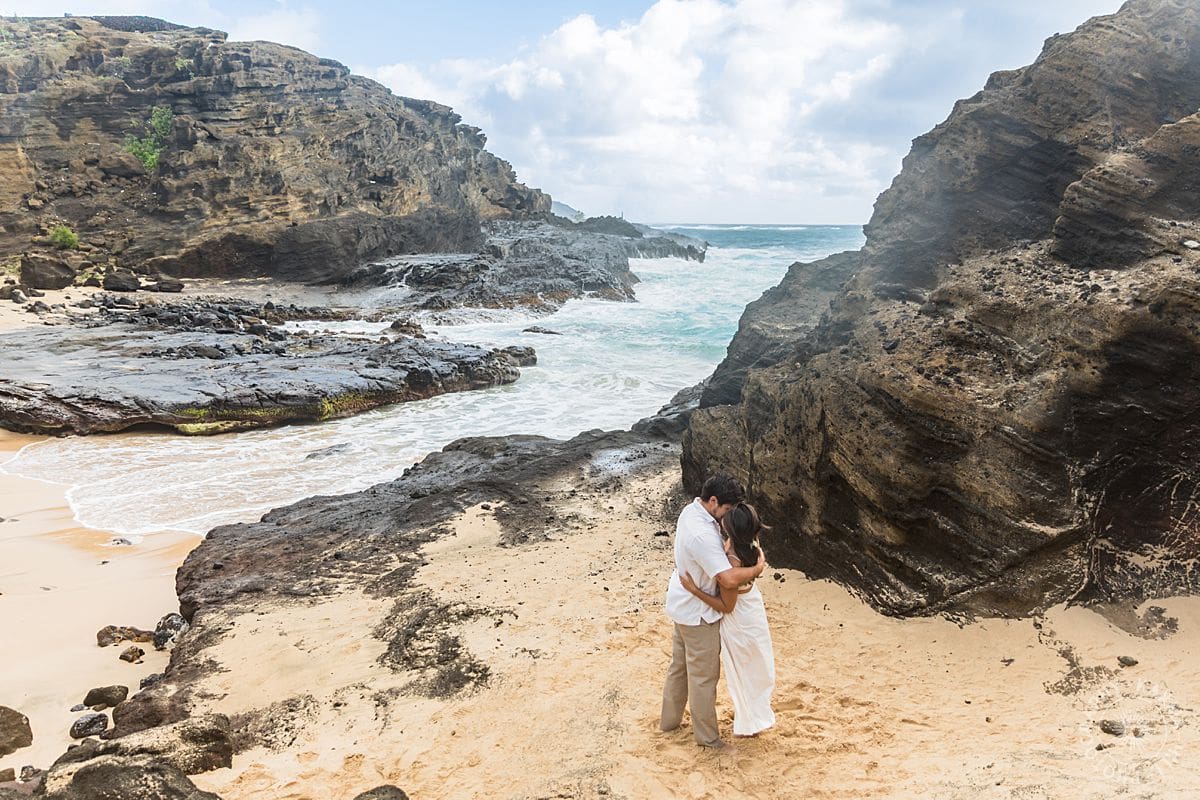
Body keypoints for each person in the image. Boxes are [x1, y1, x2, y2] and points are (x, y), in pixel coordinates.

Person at [660, 474, 765, 748]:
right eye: (727, 510)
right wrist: (757, 569)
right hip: (699, 614)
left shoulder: (690, 511)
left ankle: (668, 723)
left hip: (680, 602)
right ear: (714, 501)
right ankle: (707, 739)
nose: (727, 517)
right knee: (703, 679)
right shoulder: (703, 534)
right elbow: (728, 579)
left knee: (679, 668)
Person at [679, 502, 776, 736]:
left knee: (743, 670)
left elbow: (726, 605)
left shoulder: (732, 560)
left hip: (740, 618)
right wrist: (758, 567)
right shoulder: (751, 545)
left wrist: (694, 590)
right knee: (755, 665)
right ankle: (755, 717)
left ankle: (750, 723)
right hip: (753, 607)